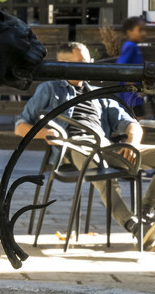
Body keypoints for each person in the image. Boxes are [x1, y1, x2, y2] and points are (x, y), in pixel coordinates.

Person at [16, 42, 153, 250]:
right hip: (75, 148)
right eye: (81, 62)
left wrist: (131, 141)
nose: (88, 65)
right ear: (64, 63)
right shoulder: (50, 89)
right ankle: (134, 226)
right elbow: (20, 126)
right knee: (99, 168)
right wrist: (48, 133)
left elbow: (131, 124)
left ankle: (146, 215)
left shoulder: (99, 95)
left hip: (107, 147)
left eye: (89, 61)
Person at [116, 15, 150, 117]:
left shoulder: (133, 47)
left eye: (144, 30)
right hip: (130, 96)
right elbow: (122, 66)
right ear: (129, 31)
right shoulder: (130, 46)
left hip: (134, 96)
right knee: (138, 122)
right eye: (140, 30)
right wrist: (135, 87)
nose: (144, 33)